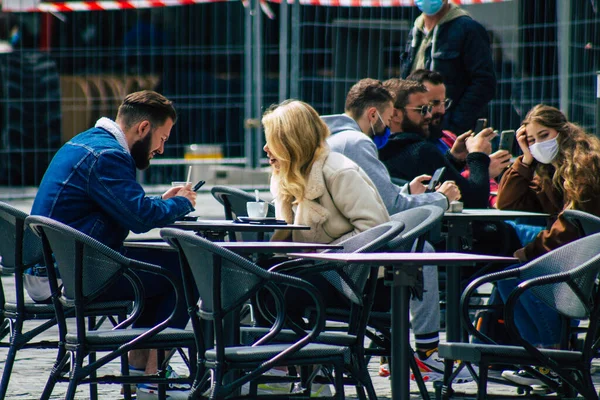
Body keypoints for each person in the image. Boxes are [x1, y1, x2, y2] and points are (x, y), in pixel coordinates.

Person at [30, 90, 196, 399]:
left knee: (164, 268)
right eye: (163, 138)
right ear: (143, 128)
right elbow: (139, 218)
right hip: (69, 274)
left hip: (57, 266)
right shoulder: (109, 156)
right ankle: (153, 377)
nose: (161, 148)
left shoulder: (86, 143)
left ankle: (140, 371)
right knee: (185, 272)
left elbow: (124, 206)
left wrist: (159, 202)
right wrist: (181, 204)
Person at [323, 78, 465, 382]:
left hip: (333, 247)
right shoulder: (357, 141)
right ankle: (427, 353)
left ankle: (394, 353)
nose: (388, 127)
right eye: (388, 120)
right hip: (348, 257)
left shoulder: (333, 138)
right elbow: (392, 208)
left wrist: (409, 193)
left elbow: (378, 196)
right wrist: (441, 198)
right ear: (373, 115)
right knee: (420, 252)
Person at [495, 104, 600, 388]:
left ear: (561, 132)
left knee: (521, 270)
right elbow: (506, 204)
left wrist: (528, 252)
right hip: (569, 246)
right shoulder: (546, 168)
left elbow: (574, 224)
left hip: (588, 250)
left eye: (544, 135)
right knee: (505, 274)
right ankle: (537, 355)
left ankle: (555, 358)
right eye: (531, 139)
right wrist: (526, 159)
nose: (539, 143)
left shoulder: (584, 162)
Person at [264, 99, 390, 243]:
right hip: (305, 264)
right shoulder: (287, 177)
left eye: (272, 140)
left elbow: (375, 230)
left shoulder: (338, 172)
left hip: (340, 264)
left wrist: (325, 254)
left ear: (293, 143)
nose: (265, 148)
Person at [379, 78, 493, 209]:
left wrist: (453, 159)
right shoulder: (420, 151)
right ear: (395, 114)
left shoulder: (377, 149)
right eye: (421, 109)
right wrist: (478, 156)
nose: (428, 115)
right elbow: (476, 201)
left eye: (428, 108)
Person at [405, 69, 511, 208]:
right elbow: (469, 196)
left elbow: (449, 178)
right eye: (434, 104)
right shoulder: (417, 149)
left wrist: (456, 159)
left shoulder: (449, 139)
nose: (442, 110)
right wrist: (480, 162)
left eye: (445, 103)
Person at [400, 0, 496, 134]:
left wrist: (454, 124)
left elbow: (484, 83)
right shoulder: (416, 31)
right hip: (417, 126)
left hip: (450, 131)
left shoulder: (468, 29)